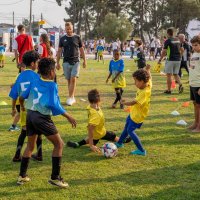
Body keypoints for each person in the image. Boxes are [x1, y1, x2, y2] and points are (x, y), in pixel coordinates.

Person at [17, 57, 76, 188]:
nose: (54, 72)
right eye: (54, 69)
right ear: (51, 72)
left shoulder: (34, 81)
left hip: (30, 115)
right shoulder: (51, 86)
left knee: (30, 146)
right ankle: (55, 178)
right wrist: (68, 116)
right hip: (41, 118)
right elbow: (54, 105)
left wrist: (22, 107)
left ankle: (22, 176)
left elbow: (21, 97)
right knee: (59, 144)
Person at [66, 89, 130, 152]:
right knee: (112, 135)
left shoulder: (90, 106)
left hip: (97, 132)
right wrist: (91, 145)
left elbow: (95, 104)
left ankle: (77, 144)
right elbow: (90, 129)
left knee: (94, 139)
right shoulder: (96, 115)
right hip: (100, 133)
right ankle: (122, 140)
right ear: (99, 100)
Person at [9, 51, 43, 162]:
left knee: (24, 131)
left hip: (24, 109)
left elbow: (14, 94)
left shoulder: (19, 76)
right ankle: (39, 154)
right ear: (33, 63)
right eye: (37, 62)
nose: (38, 64)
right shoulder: (37, 76)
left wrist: (13, 108)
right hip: (35, 109)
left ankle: (17, 155)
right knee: (38, 132)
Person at [115, 65, 152, 156]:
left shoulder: (144, 92)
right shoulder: (147, 83)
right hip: (133, 113)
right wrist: (147, 70)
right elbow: (150, 77)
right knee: (126, 127)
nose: (134, 83)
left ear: (142, 81)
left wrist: (124, 103)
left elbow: (133, 103)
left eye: (136, 81)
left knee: (130, 131)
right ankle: (119, 143)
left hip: (138, 116)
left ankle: (141, 150)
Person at [57, 22, 87, 106]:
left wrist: (85, 60)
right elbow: (59, 51)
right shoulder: (62, 39)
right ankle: (72, 97)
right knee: (69, 80)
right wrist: (57, 62)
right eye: (67, 29)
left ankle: (70, 97)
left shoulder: (77, 37)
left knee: (73, 79)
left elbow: (81, 50)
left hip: (76, 61)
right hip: (66, 62)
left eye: (70, 29)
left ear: (72, 28)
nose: (69, 30)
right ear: (65, 29)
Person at [158, 28, 184, 94]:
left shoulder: (168, 41)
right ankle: (180, 84)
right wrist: (180, 56)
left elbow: (164, 51)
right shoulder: (178, 40)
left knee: (169, 75)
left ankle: (169, 90)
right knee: (175, 74)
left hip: (170, 60)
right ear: (173, 33)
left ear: (167, 33)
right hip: (178, 60)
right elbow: (182, 49)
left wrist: (160, 59)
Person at [8, 65, 26, 132]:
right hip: (20, 100)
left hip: (21, 100)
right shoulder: (20, 75)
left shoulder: (22, 75)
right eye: (23, 67)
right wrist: (13, 84)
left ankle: (13, 126)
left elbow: (14, 85)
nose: (24, 68)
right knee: (21, 114)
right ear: (20, 68)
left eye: (25, 67)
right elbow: (14, 85)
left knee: (19, 113)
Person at [188, 36, 200, 132]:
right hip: (193, 83)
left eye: (196, 45)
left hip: (199, 84)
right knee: (195, 104)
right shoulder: (194, 53)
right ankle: (196, 123)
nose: (194, 47)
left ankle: (199, 127)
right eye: (193, 45)